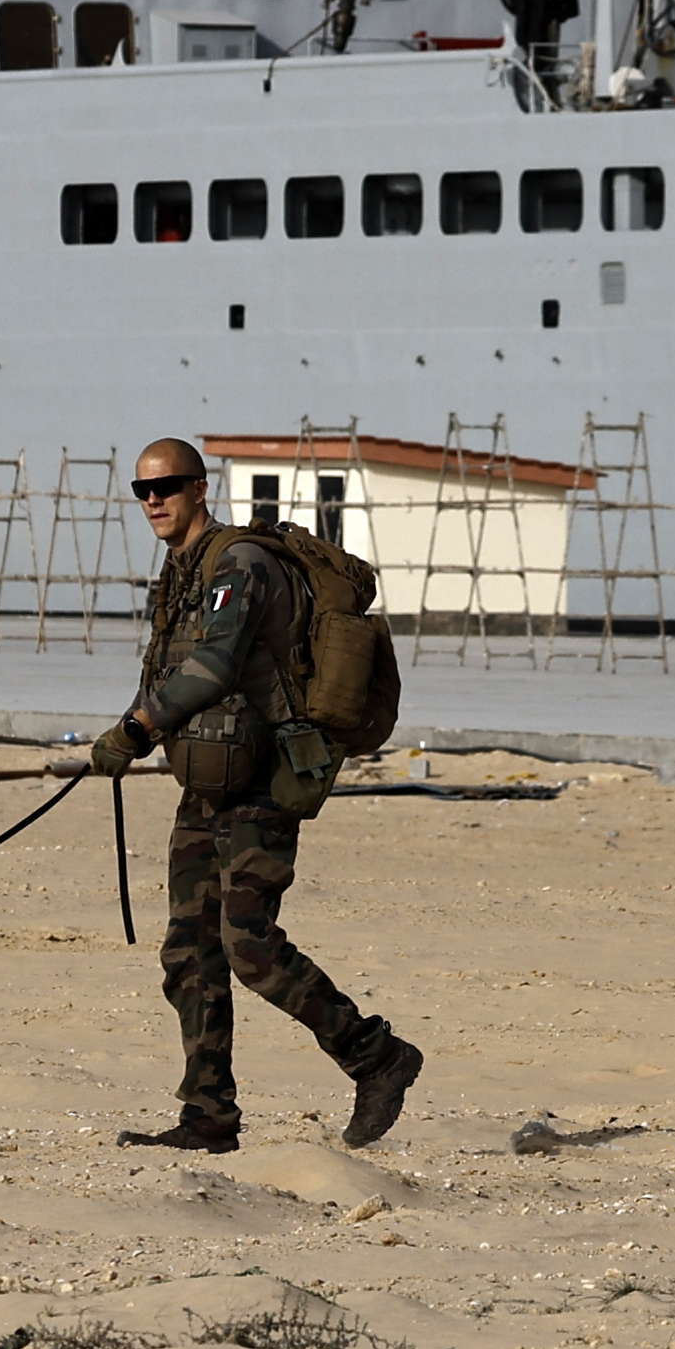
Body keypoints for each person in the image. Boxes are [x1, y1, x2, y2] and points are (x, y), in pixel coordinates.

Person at [84, 438, 422, 1154]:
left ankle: (376, 1056)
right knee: (188, 950)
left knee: (249, 946)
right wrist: (134, 729)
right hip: (209, 781)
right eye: (142, 490)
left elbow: (213, 666)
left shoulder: (241, 564)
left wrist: (136, 729)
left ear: (199, 488)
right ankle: (207, 1116)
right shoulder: (181, 570)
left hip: (265, 777)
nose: (154, 500)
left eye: (168, 486)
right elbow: (168, 669)